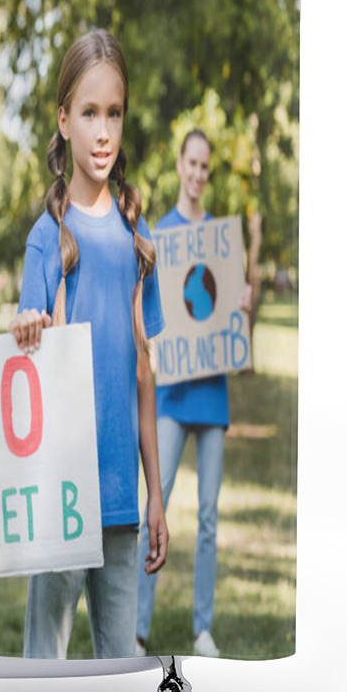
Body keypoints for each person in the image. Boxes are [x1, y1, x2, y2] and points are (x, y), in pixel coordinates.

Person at [9, 30, 169, 659]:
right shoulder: (46, 239)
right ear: (64, 120)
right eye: (89, 113)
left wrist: (156, 494)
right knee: (42, 667)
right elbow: (24, 361)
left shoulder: (137, 234)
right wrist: (27, 330)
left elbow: (143, 379)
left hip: (121, 502)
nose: (103, 131)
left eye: (114, 113)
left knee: (121, 670)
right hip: (61, 501)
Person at [135, 129, 252, 659]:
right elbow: (151, 317)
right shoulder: (161, 236)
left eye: (207, 167)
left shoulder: (223, 244)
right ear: (180, 165)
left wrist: (242, 307)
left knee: (208, 516)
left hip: (213, 396)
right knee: (152, 512)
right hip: (173, 396)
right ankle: (136, 629)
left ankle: (202, 628)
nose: (199, 174)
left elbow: (228, 320)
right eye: (193, 164)